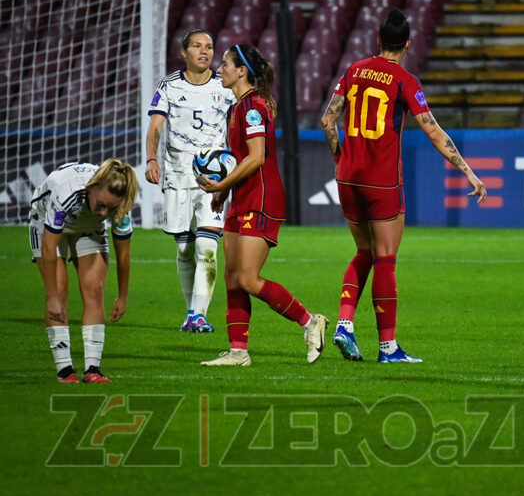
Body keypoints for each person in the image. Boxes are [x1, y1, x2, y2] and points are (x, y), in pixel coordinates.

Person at [320, 8, 487, 364]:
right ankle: (388, 348)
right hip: (382, 182)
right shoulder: (404, 81)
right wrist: (469, 172)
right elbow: (433, 131)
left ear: (378, 40)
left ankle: (345, 324)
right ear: (408, 44)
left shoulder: (353, 70)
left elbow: (327, 119)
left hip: (347, 176)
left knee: (364, 252)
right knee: (385, 259)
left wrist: (339, 158)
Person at [198, 44, 328, 366]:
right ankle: (238, 352)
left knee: (248, 278)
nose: (219, 68)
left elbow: (257, 157)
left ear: (242, 71)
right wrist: (223, 192)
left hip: (262, 197)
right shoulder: (235, 109)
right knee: (230, 277)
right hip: (241, 197)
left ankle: (311, 322)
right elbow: (237, 161)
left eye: (225, 63)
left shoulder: (253, 107)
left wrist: (223, 184)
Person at [145, 28, 234, 333]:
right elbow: (156, 125)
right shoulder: (169, 86)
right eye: (197, 46)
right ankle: (190, 311)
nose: (204, 51)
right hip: (178, 177)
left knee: (207, 247)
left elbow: (236, 127)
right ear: (184, 52)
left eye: (209, 46)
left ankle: (199, 315)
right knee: (185, 248)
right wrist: (152, 159)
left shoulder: (226, 87)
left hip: (215, 181)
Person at [30, 160, 138, 383]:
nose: (103, 212)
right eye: (101, 205)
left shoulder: (121, 208)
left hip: (88, 229)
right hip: (45, 223)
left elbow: (124, 255)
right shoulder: (66, 191)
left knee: (94, 290)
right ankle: (65, 371)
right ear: (92, 188)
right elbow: (50, 246)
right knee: (58, 291)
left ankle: (93, 370)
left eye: (109, 208)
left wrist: (123, 296)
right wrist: (51, 297)